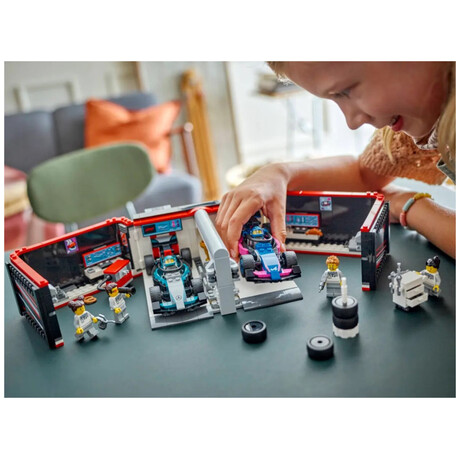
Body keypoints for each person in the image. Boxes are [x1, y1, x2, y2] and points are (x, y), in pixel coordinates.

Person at [216, 62, 455, 259]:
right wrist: (279, 173)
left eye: (346, 91)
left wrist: (410, 205)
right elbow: (365, 175)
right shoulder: (410, 123)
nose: (352, 121)